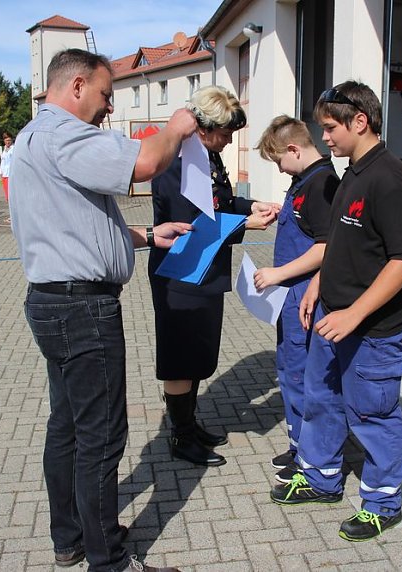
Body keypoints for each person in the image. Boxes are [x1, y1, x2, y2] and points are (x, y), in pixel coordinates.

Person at [9, 48, 197, 572]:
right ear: (74, 87)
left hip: (53, 301)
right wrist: (177, 127)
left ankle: (70, 538)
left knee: (67, 426)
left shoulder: (33, 137)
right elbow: (145, 162)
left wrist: (143, 235)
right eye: (105, 94)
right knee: (102, 436)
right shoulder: (65, 134)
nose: (108, 108)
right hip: (82, 309)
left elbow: (73, 220)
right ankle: (108, 560)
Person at [269, 81, 402, 543]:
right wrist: (317, 282)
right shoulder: (351, 171)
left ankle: (381, 503)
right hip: (331, 316)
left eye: (331, 128)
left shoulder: (390, 178)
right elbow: (339, 243)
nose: (325, 138)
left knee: (372, 415)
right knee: (320, 399)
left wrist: (354, 314)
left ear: (361, 121)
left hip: (371, 328)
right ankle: (320, 478)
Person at [148, 85, 279, 468]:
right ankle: (180, 435)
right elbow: (190, 223)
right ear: (203, 128)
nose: (228, 141)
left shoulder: (207, 157)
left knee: (198, 352)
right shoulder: (176, 161)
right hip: (180, 272)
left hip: (205, 270)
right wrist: (245, 225)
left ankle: (189, 424)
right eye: (225, 133)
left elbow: (219, 203)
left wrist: (249, 205)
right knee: (179, 356)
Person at [252, 115, 340, 483]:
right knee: (290, 371)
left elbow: (325, 246)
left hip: (305, 295)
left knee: (304, 375)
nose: (279, 168)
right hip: (291, 296)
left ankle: (311, 453)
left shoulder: (322, 184)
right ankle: (299, 444)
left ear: (293, 149)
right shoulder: (303, 181)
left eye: (278, 161)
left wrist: (276, 275)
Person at [0, 131, 14, 202]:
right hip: (5, 174)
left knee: (12, 193)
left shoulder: (14, 148)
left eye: (9, 140)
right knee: (7, 194)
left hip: (12, 174)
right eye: (6, 140)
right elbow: (2, 162)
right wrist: (0, 173)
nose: (8, 142)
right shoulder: (4, 150)